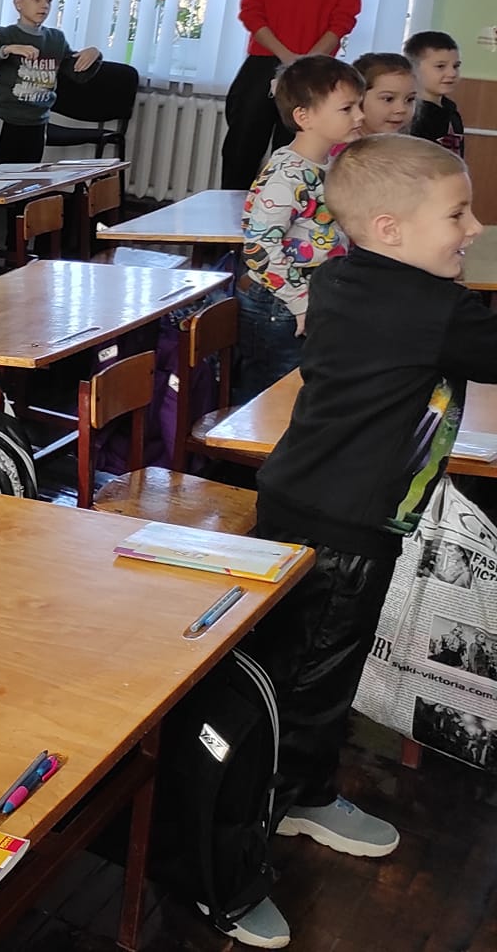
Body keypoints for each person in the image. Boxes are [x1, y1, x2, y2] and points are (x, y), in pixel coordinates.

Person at [237, 135, 497, 949]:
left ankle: (305, 792)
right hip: (342, 525)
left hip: (315, 503)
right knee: (303, 684)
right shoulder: (430, 309)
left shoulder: (346, 276)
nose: (475, 227)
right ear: (389, 228)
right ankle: (233, 861)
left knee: (315, 673)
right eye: (457, 214)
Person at [237, 56, 362, 402]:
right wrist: (301, 303)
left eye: (359, 106)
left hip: (308, 298)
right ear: (304, 117)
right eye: (347, 108)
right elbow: (259, 250)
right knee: (271, 401)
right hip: (279, 305)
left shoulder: (327, 164)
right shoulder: (287, 175)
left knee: (301, 395)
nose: (359, 116)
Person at [219, 0, 362, 191]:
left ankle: (284, 214)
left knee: (297, 149)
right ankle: (229, 217)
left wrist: (306, 62)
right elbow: (251, 13)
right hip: (264, 64)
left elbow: (344, 18)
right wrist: (286, 57)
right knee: (242, 146)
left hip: (316, 71)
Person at [0, 0, 101, 164]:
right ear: (18, 3)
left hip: (37, 123)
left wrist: (94, 55)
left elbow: (78, 74)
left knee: (28, 176)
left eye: (49, 0)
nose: (44, 5)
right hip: (6, 121)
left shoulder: (56, 39)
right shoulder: (5, 34)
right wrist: (7, 49)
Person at [403, 30, 465, 157]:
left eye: (456, 66)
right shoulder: (410, 115)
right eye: (440, 66)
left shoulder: (451, 111)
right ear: (413, 68)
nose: (452, 73)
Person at [351, 51, 417, 139]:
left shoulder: (408, 145)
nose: (401, 109)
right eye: (388, 99)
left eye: (410, 99)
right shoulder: (341, 146)